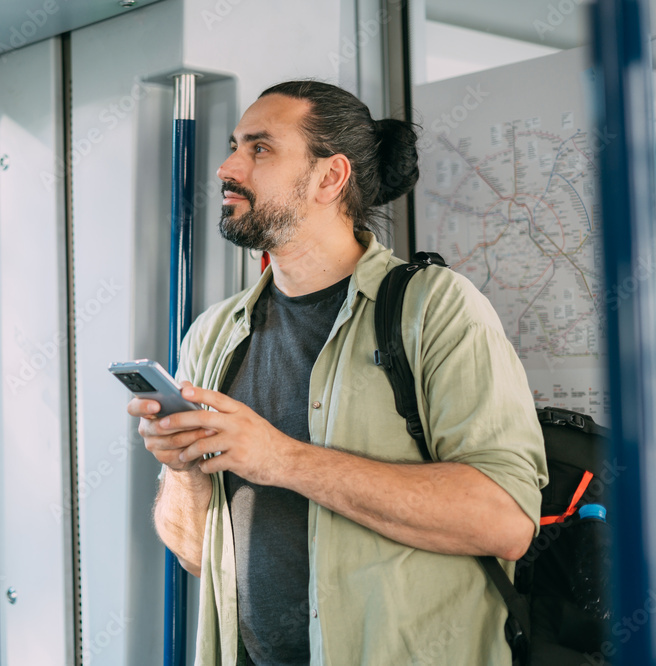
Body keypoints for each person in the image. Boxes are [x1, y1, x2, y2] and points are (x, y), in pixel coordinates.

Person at [127, 80, 548, 665]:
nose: (226, 167)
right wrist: (184, 467)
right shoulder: (214, 335)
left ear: (330, 178)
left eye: (259, 149)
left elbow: (503, 520)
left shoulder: (436, 308)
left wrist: (279, 459)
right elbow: (199, 556)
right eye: (233, 146)